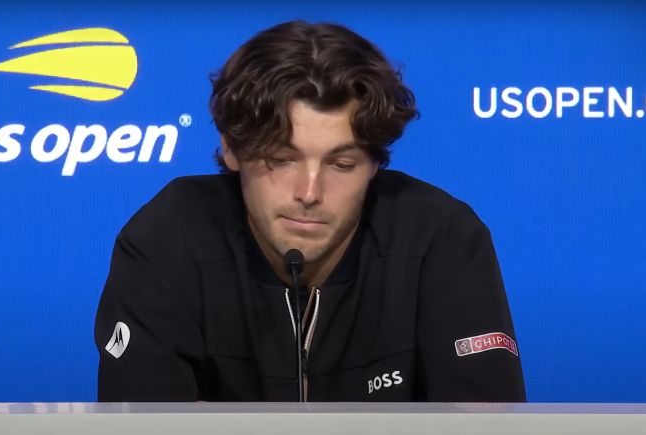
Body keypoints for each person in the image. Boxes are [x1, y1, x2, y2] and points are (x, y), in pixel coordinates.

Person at [94, 20, 526, 402]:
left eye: (342, 164)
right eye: (281, 159)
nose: (309, 192)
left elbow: (488, 424)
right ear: (231, 147)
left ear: (376, 164)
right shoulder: (166, 239)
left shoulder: (442, 237)